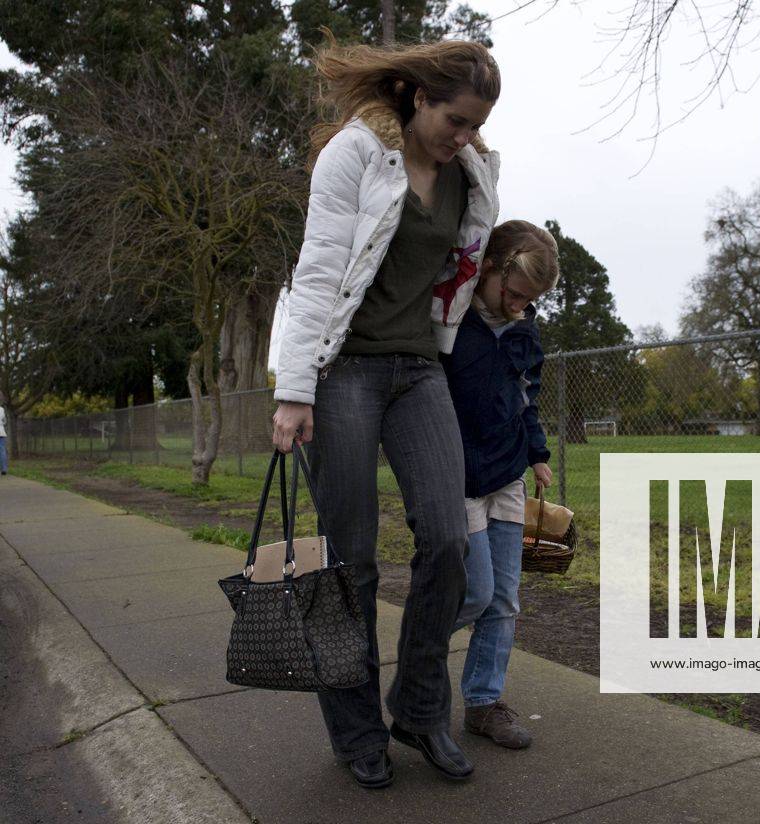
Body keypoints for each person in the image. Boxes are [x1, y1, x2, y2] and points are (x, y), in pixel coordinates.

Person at [270, 37, 501, 789]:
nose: (465, 136)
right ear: (416, 95)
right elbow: (317, 272)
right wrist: (294, 389)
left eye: (476, 125)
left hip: (417, 367)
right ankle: (357, 728)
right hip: (345, 372)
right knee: (352, 562)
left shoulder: (472, 171)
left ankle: (420, 709)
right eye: (456, 120)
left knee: (447, 542)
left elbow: (464, 267)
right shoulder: (357, 155)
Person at [442, 220, 560, 750]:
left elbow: (525, 396)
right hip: (460, 476)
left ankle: (484, 704)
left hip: (507, 474)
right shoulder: (449, 319)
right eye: (512, 294)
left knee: (506, 599)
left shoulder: (524, 329)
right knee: (476, 592)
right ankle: (418, 669)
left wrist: (536, 454)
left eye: (528, 301)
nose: (518, 306)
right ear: (490, 266)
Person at [0, 404, 8, 476]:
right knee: (2, 451)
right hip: (1, 432)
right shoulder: (2, 409)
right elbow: (5, 421)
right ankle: (4, 469)